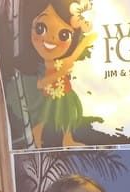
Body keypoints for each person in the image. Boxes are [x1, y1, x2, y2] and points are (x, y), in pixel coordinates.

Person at [19, 0, 96, 148]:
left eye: (64, 34)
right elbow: (46, 80)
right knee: (46, 116)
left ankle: (67, 139)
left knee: (68, 116)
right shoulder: (52, 64)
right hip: (54, 92)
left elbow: (73, 57)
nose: (52, 39)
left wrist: (85, 43)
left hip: (65, 92)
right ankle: (37, 134)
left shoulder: (62, 61)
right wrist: (59, 73)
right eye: (40, 28)